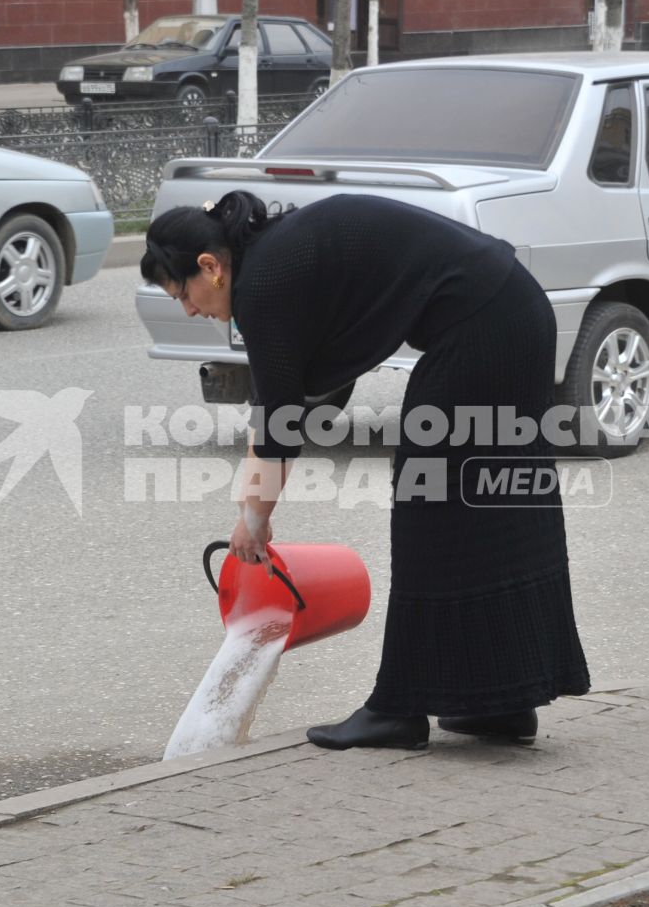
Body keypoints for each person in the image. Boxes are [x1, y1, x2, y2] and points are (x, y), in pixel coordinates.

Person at [141, 192, 590, 752]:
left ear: (210, 266)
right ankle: (503, 703)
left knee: (429, 508)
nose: (188, 309)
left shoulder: (263, 283)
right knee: (487, 509)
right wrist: (251, 507)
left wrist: (253, 521)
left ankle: (398, 710)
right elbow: (278, 405)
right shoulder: (272, 259)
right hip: (513, 312)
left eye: (183, 292)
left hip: (483, 327)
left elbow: (280, 422)